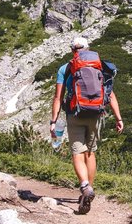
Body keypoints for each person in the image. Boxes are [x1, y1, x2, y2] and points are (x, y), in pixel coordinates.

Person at [50, 36, 124, 214]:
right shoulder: (98, 65)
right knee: (90, 153)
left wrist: (53, 121)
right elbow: (110, 94)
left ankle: (84, 186)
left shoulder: (65, 68)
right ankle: (88, 189)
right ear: (88, 49)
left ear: (72, 50)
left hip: (75, 113)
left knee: (77, 152)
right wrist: (118, 118)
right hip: (96, 114)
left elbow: (58, 97)